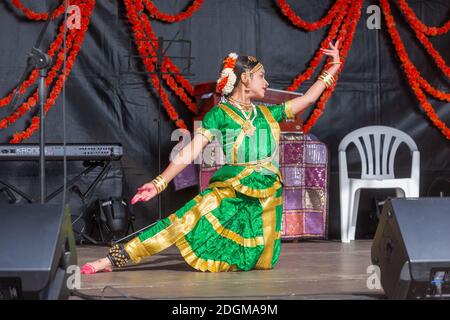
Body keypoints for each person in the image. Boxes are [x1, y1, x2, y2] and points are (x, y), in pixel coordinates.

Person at [80, 40, 342, 274]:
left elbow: (307, 99)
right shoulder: (219, 115)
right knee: (182, 221)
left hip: (267, 195)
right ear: (245, 79)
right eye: (262, 76)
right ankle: (114, 259)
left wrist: (333, 67)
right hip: (232, 188)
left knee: (260, 261)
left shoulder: (268, 114)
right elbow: (190, 151)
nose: (267, 83)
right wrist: (159, 183)